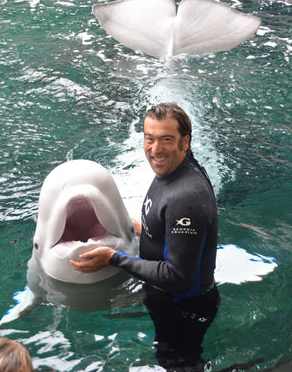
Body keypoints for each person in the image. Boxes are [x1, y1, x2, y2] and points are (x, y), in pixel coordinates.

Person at [70, 102, 220, 370]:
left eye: (166, 139)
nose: (155, 149)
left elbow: (178, 279)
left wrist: (114, 258)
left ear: (185, 142)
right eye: (149, 138)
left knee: (176, 364)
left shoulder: (186, 197)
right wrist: (146, 229)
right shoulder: (174, 171)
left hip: (182, 310)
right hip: (168, 299)